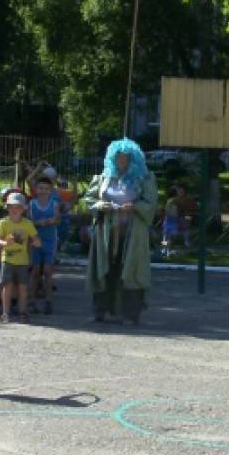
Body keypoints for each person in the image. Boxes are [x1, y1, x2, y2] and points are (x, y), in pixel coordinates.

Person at [84, 138, 156, 324]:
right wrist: (102, 205)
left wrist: (134, 206)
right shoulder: (103, 177)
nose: (121, 160)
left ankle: (130, 315)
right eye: (118, 157)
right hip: (105, 233)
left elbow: (150, 203)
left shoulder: (145, 178)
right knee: (103, 269)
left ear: (134, 159)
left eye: (125, 157)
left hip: (133, 233)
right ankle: (99, 310)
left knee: (131, 271)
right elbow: (89, 200)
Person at [0, 192, 41, 323]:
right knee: (7, 286)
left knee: (23, 287)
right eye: (12, 207)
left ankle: (22, 312)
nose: (15, 210)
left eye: (18, 207)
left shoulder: (28, 224)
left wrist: (36, 242)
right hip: (7, 259)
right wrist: (6, 243)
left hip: (22, 261)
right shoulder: (3, 223)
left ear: (23, 209)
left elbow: (37, 240)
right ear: (7, 208)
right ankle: (5, 313)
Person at [28, 174, 61, 313]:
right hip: (35, 240)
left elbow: (57, 220)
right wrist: (38, 223)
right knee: (35, 271)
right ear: (36, 189)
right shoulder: (32, 204)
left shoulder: (54, 204)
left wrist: (49, 222)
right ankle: (31, 301)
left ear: (51, 190)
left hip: (50, 241)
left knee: (48, 271)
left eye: (46, 188)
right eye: (40, 188)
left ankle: (48, 301)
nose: (43, 191)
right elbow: (29, 222)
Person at [161, 184, 192, 255]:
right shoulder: (172, 200)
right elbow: (179, 202)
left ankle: (166, 250)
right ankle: (164, 250)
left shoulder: (173, 201)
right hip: (169, 220)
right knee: (166, 237)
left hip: (172, 220)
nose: (180, 193)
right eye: (178, 192)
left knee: (168, 237)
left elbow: (181, 206)